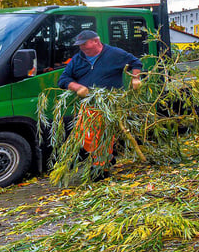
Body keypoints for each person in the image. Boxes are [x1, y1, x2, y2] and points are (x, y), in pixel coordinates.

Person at [57, 30, 143, 172]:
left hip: (109, 102)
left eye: (85, 44)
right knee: (83, 134)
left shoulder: (114, 54)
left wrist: (136, 78)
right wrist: (77, 87)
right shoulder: (78, 59)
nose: (82, 48)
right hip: (89, 103)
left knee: (98, 133)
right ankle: (106, 158)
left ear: (96, 41)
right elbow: (64, 79)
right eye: (80, 45)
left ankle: (101, 167)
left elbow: (136, 63)